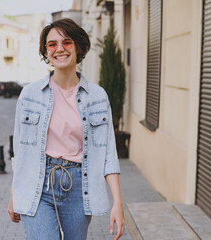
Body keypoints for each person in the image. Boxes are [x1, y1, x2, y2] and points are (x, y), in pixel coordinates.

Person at [7, 18, 125, 240]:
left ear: (78, 47)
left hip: (80, 185)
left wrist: (117, 203)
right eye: (52, 44)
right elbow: (20, 151)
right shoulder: (29, 95)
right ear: (46, 51)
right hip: (37, 185)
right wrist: (15, 193)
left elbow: (109, 153)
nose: (59, 49)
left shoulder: (97, 96)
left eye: (67, 42)